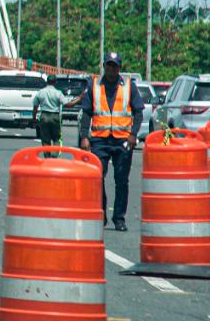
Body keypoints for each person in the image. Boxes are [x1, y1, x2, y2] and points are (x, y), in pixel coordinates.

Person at [78, 52, 144, 231]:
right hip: (99, 140)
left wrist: (133, 134)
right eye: (108, 65)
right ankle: (101, 214)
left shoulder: (129, 87)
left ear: (119, 68)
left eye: (114, 66)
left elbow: (138, 112)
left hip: (123, 141)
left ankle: (119, 218)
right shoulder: (94, 85)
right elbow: (86, 113)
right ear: (104, 66)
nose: (111, 69)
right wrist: (84, 136)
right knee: (98, 178)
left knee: (121, 181)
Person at [31, 75, 68, 148]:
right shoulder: (58, 93)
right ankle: (54, 156)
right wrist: (79, 98)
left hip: (44, 115)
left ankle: (47, 157)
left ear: (47, 82)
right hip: (55, 116)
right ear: (55, 82)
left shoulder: (40, 92)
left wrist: (34, 119)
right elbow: (67, 104)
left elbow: (35, 107)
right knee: (56, 138)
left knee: (45, 139)